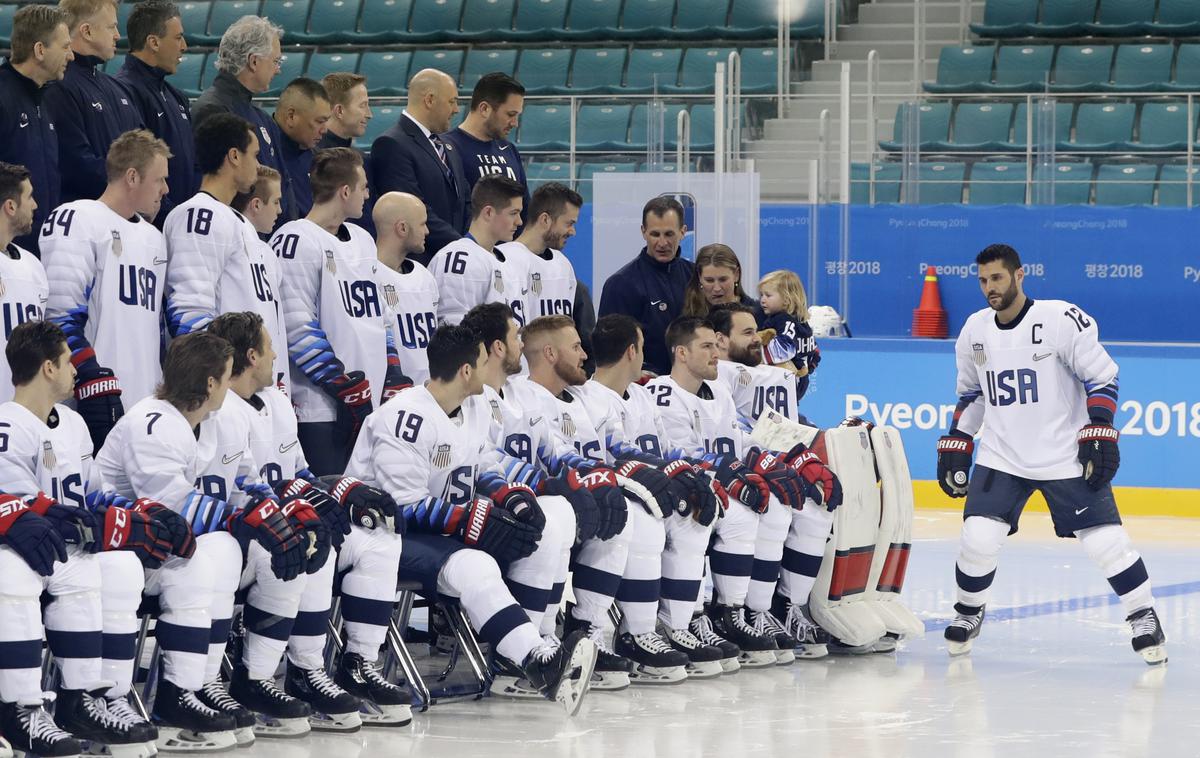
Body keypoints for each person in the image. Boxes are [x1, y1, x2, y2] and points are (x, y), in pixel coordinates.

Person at [345, 322, 599, 715]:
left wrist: (508, 495)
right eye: (484, 360)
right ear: (466, 370)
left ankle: (537, 652)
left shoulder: (475, 405)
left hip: (440, 529)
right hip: (380, 534)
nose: (490, 366)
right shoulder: (404, 417)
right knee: (476, 565)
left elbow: (483, 462)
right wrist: (468, 520)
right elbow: (401, 506)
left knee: (540, 524)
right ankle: (533, 661)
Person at [937, 243, 1165, 664]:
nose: (990, 287)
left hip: (1063, 455)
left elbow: (1103, 378)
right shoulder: (974, 330)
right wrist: (959, 440)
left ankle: (1143, 615)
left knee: (1106, 544)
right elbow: (972, 395)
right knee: (977, 539)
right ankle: (969, 612)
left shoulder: (1060, 319)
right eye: (983, 280)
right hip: (1002, 456)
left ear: (1020, 275)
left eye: (998, 278)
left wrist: (1099, 429)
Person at [96, 331, 313, 750]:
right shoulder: (152, 422)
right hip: (122, 545)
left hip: (162, 547)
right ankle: (172, 695)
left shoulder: (212, 418)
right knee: (208, 556)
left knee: (236, 550)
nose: (233, 385)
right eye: (228, 376)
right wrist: (245, 521)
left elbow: (247, 484)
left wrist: (277, 516)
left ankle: (207, 685)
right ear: (211, 383)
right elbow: (170, 509)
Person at [205, 311, 410, 729]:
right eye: (269, 346)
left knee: (378, 540)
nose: (277, 353)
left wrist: (341, 491)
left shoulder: (279, 403)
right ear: (251, 356)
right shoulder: (217, 411)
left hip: (281, 524)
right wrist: (306, 505)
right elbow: (240, 491)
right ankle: (282, 673)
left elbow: (299, 475)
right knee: (309, 536)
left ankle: (357, 664)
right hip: (238, 535)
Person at [0, 319, 176, 758]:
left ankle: (90, 700)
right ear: (47, 369)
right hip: (18, 549)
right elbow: (15, 508)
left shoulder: (75, 425)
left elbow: (91, 491)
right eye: (68, 361)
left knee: (120, 567)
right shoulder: (7, 424)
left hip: (66, 548)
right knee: (15, 572)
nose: (77, 369)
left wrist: (134, 512)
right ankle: (18, 709)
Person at [647, 317, 841, 666]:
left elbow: (740, 441)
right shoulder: (662, 394)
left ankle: (767, 611)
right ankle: (702, 615)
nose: (716, 354)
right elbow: (676, 454)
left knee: (806, 508)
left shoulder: (719, 390)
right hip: (681, 488)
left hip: (720, 482)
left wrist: (789, 460)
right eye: (706, 346)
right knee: (743, 514)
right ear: (681, 353)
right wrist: (730, 473)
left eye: (716, 345)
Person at [505, 316, 688, 685]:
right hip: (521, 503)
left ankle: (592, 629)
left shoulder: (577, 399)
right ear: (551, 353)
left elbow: (600, 453)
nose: (585, 354)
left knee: (629, 514)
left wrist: (652, 470)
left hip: (567, 497)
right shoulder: (519, 397)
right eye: (576, 347)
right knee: (562, 519)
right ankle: (534, 646)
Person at [575, 313, 731, 679]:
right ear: (632, 351)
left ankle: (676, 625)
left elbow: (667, 451)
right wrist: (664, 472)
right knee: (644, 522)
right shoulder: (590, 398)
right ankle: (635, 632)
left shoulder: (643, 396)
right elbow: (617, 450)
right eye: (642, 346)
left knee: (695, 511)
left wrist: (696, 473)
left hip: (650, 486)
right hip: (611, 492)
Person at [708, 303, 832, 657]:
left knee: (817, 506)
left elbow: (783, 425)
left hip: (766, 463)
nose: (756, 340)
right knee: (773, 506)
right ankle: (748, 611)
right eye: (747, 333)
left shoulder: (772, 374)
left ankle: (787, 607)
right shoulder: (716, 378)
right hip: (731, 472)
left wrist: (799, 455)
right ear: (720, 340)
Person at [41, 129, 171, 452]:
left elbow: (155, 329)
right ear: (132, 177)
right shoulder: (77, 219)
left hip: (146, 402)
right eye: (159, 180)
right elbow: (59, 317)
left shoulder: (154, 238)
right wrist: (92, 380)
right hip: (93, 402)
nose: (166, 190)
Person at [275, 147, 401, 475]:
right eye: (363, 187)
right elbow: (296, 322)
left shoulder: (362, 239)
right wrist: (341, 385)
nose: (368, 194)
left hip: (368, 402)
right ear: (345, 192)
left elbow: (381, 315)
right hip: (321, 407)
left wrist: (392, 370)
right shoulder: (295, 239)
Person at [164, 112, 290, 393]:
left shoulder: (238, 221)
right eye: (255, 156)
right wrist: (217, 379)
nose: (258, 166)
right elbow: (189, 309)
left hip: (255, 387)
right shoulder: (199, 214)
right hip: (224, 389)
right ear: (234, 156)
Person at [44, 0, 145, 205]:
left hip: (126, 213)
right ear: (87, 31)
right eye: (111, 27)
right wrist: (135, 191)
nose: (117, 35)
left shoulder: (117, 87)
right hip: (85, 220)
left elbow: (146, 150)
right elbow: (77, 163)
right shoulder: (59, 86)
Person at [369, 68, 467, 266]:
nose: (456, 109)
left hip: (455, 264)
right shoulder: (391, 144)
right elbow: (412, 212)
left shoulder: (447, 145)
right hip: (420, 264)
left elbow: (464, 201)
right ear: (430, 100)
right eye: (452, 101)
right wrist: (463, 247)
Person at [192, 15, 286, 209]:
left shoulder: (262, 118)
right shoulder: (214, 111)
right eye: (276, 61)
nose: (278, 70)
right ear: (253, 61)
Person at [115, 0, 196, 225]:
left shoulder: (177, 97)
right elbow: (137, 167)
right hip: (151, 227)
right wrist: (175, 220)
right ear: (154, 42)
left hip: (181, 225)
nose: (184, 46)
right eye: (178, 38)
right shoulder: (123, 92)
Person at [0, 5, 72, 254]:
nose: (71, 56)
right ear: (40, 50)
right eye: (65, 47)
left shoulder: (47, 100)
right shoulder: (2, 96)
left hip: (42, 247)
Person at [597, 196, 693, 377]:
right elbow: (608, 349)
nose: (662, 243)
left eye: (669, 234)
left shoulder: (695, 276)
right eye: (655, 234)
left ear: (683, 232)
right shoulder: (620, 284)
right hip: (644, 391)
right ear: (643, 232)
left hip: (691, 386)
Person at [429, 174, 525, 325]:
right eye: (513, 213)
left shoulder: (505, 261)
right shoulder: (458, 258)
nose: (519, 222)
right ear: (488, 212)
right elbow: (454, 329)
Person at [230, 165, 292, 392]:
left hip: (272, 375)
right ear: (256, 205)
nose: (280, 210)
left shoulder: (267, 253)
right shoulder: (232, 243)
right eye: (276, 202)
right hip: (242, 374)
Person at [373, 191, 438, 386]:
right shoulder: (368, 276)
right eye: (422, 224)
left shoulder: (425, 277)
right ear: (402, 228)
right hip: (387, 393)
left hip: (429, 393)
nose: (427, 231)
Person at [442, 72, 528, 211]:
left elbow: (525, 209)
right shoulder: (447, 148)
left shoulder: (509, 150)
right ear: (484, 109)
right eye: (511, 114)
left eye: (517, 115)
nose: (515, 123)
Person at [0, 163, 50, 403]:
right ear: (10, 206)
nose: (35, 205)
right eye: (29, 197)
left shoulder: (34, 266)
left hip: (23, 407)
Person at [272, 77, 332, 223]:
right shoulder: (261, 154)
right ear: (291, 116)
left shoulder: (319, 159)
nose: (324, 130)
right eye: (319, 121)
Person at [757, 269, 819, 398]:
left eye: (768, 295)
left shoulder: (783, 320)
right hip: (801, 380)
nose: (762, 300)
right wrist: (809, 368)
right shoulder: (802, 323)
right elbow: (816, 352)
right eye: (761, 295)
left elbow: (785, 348)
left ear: (786, 299)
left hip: (785, 380)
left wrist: (754, 352)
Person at [681, 243, 756, 318]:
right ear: (699, 277)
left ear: (736, 275)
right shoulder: (689, 317)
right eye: (709, 280)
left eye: (723, 280)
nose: (717, 288)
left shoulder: (758, 314)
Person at [319, 72, 372, 151]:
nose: (370, 115)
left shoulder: (362, 159)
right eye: (362, 105)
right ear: (339, 111)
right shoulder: (311, 158)